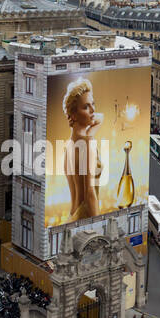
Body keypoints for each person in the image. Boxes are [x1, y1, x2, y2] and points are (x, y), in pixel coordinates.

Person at [61, 77, 103, 221]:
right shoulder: (87, 144)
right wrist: (97, 225)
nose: (93, 110)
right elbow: (89, 193)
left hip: (72, 216)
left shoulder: (69, 145)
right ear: (73, 114)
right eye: (86, 107)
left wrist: (89, 131)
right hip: (85, 218)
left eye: (93, 104)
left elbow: (99, 118)